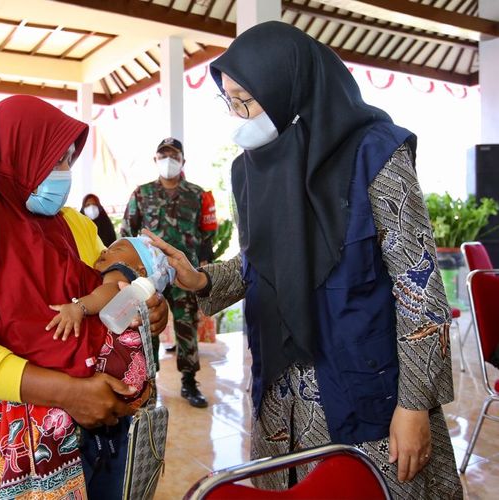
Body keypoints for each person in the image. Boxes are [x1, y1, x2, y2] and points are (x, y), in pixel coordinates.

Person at [147, 21, 462, 498]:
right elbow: (259, 265)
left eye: (246, 100)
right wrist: (201, 279)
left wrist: (415, 405)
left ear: (287, 87)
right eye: (229, 100)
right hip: (280, 399)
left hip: (367, 391)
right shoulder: (249, 170)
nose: (238, 115)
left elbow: (418, 286)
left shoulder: (375, 153)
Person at [0, 95, 168, 499]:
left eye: (67, 161)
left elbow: (110, 293)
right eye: (53, 160)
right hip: (13, 439)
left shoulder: (71, 224)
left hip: (106, 423)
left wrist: (147, 309)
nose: (64, 174)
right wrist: (68, 392)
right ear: (12, 158)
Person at [0, 235, 173, 498]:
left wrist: (80, 307)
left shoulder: (122, 275)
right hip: (106, 404)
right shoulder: (136, 283)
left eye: (118, 248)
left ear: (140, 269)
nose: (106, 251)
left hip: (79, 407)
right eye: (109, 247)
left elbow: (108, 292)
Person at [121, 137, 216, 408]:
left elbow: (207, 234)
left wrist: (206, 263)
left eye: (173, 155)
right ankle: (148, 385)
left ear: (183, 161)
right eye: (163, 155)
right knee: (149, 326)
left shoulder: (197, 194)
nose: (168, 160)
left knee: (186, 325)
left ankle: (189, 382)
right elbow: (127, 231)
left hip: (185, 273)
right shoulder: (142, 193)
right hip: (151, 276)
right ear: (155, 160)